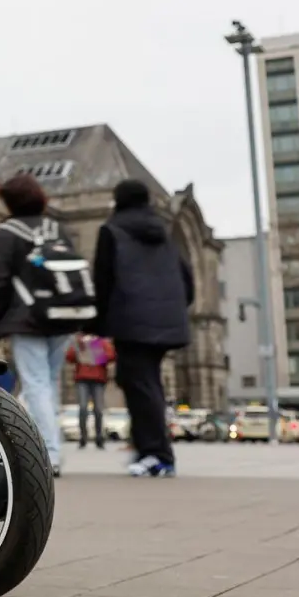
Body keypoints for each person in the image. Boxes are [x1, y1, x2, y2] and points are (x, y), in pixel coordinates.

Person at [92, 179, 194, 478]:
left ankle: (157, 455)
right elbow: (187, 280)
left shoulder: (112, 230)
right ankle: (147, 447)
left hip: (131, 320)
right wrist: (173, 309)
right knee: (145, 383)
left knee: (140, 385)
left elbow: (103, 280)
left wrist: (97, 324)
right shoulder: (164, 235)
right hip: (166, 320)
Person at [0, 173, 78, 478]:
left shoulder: (4, 234)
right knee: (46, 383)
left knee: (36, 382)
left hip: (28, 319)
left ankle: (50, 453)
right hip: (63, 316)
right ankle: (37, 441)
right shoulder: (57, 230)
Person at [67, 333, 115, 450]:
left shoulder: (102, 342)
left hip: (98, 379)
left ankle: (99, 437)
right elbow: (70, 357)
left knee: (98, 409)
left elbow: (111, 356)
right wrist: (80, 346)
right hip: (82, 379)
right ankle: (83, 437)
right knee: (83, 408)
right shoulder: (79, 341)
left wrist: (95, 350)